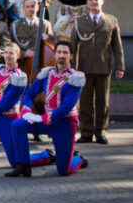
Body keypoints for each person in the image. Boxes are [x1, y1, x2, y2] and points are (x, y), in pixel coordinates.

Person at [6, 41, 88, 178]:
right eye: (59, 52)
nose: (61, 55)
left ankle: (78, 158)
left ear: (71, 56)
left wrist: (42, 118)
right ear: (55, 55)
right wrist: (26, 110)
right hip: (45, 120)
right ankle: (24, 165)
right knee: (17, 124)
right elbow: (30, 93)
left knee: (63, 171)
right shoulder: (47, 74)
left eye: (65, 52)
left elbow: (67, 106)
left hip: (64, 123)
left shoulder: (75, 78)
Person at [70, 0, 124, 144]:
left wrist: (120, 66)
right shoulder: (79, 22)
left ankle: (101, 132)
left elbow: (117, 46)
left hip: (103, 67)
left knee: (103, 102)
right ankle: (86, 132)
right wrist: (72, 68)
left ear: (102, 1)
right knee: (85, 102)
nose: (94, 2)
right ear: (87, 3)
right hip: (84, 68)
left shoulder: (111, 21)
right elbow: (73, 46)